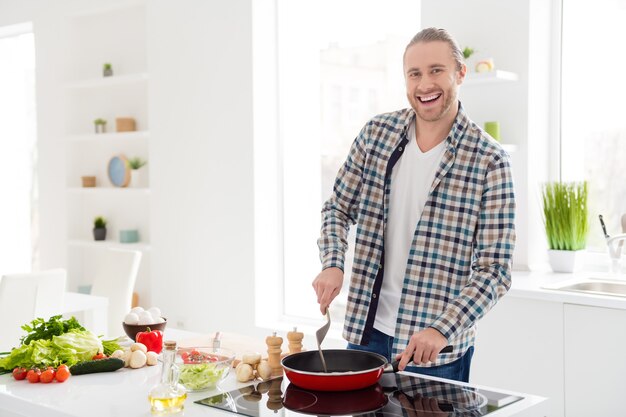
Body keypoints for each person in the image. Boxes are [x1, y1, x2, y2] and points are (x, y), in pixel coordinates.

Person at [312, 27, 515, 383]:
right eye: (415, 73)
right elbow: (337, 209)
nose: (425, 84)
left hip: (435, 348)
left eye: (436, 70)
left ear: (460, 74)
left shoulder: (489, 161)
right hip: (365, 334)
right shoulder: (376, 135)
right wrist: (333, 264)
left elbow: (494, 271)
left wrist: (441, 329)